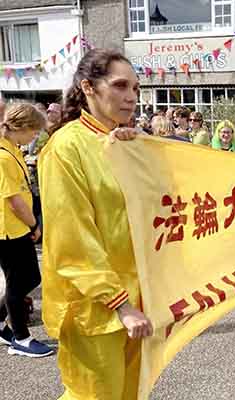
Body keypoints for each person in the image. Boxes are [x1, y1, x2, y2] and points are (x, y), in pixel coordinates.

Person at [39, 48, 153, 399]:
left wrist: (139, 150)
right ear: (88, 87)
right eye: (120, 86)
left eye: (135, 88)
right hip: (94, 306)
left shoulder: (122, 142)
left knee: (131, 393)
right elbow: (72, 239)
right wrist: (120, 303)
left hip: (137, 296)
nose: (131, 97)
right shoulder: (65, 148)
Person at [0, 103, 53, 358]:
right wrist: (34, 224)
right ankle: (21, 338)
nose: (35, 136)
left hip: (16, 226)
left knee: (30, 278)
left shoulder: (12, 151)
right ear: (20, 128)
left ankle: (2, 323)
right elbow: (14, 200)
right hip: (9, 230)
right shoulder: (3, 156)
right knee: (19, 282)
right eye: (33, 131)